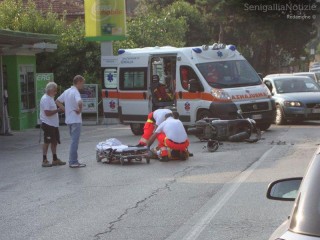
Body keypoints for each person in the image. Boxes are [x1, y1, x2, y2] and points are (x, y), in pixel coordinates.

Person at [56, 75, 86, 168]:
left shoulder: (67, 91)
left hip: (69, 119)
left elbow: (57, 101)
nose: (83, 85)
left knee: (73, 141)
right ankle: (73, 161)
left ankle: (73, 160)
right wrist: (80, 110)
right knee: (74, 141)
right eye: (83, 83)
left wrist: (65, 109)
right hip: (76, 120)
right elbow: (80, 102)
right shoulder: (75, 92)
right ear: (79, 82)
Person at [40, 82, 65, 167]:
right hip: (48, 124)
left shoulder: (50, 98)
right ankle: (44, 160)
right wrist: (58, 110)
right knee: (47, 141)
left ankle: (55, 159)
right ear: (50, 90)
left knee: (54, 142)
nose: (56, 92)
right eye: (55, 90)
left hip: (53, 124)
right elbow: (47, 113)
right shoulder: (45, 99)